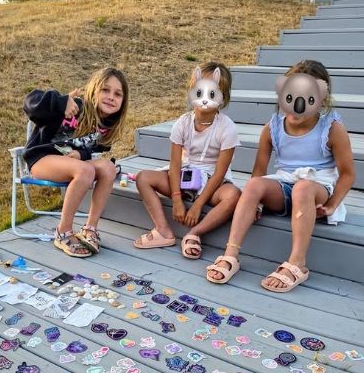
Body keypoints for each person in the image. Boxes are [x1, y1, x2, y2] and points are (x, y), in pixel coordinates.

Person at [206, 59, 356, 292]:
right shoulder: (273, 126)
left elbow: (347, 174)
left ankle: (297, 262)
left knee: (303, 188)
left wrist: (333, 204)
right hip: (284, 185)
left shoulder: (332, 128)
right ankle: (231, 253)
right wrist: (254, 203)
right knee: (254, 184)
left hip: (316, 187)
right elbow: (259, 171)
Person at [133, 62, 241, 258]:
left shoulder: (227, 128)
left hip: (213, 182)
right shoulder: (183, 122)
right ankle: (163, 230)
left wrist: (199, 205)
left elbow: (220, 173)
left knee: (233, 195)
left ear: (223, 97)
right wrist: (176, 199)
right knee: (143, 177)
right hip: (185, 175)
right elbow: (175, 163)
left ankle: (194, 234)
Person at [23, 67, 128, 257]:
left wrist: (82, 154)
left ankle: (90, 229)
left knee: (108, 167)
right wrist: (60, 102)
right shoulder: (74, 106)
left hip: (72, 164)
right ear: (94, 90)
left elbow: (93, 150)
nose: (111, 96)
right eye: (105, 90)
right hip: (42, 159)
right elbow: (31, 102)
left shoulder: (107, 126)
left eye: (117, 94)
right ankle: (63, 231)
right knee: (85, 171)